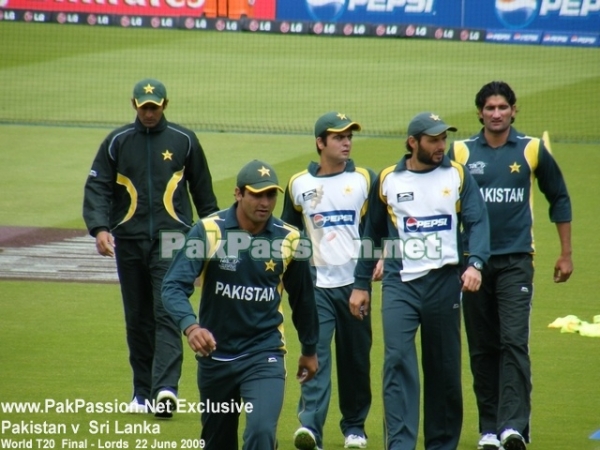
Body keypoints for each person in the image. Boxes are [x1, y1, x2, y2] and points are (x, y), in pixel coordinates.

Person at [349, 112, 491, 450]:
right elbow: (372, 235)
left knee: (443, 366)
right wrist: (360, 284)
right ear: (413, 143)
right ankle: (400, 444)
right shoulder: (387, 179)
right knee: (397, 359)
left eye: (444, 138)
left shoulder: (457, 174)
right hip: (400, 283)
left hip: (445, 283)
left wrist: (477, 264)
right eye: (433, 140)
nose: (441, 145)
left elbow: (477, 221)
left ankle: (441, 444)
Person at [447, 81, 573, 450]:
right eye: (490, 108)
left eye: (503, 107)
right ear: (480, 113)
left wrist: (565, 253)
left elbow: (559, 198)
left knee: (514, 341)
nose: (497, 113)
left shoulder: (532, 149)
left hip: (517, 260)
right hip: (472, 265)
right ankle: (488, 428)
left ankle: (513, 427)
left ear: (514, 110)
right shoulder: (461, 152)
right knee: (483, 346)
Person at [83, 78, 219, 417]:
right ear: (134, 105)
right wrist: (100, 228)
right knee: (138, 318)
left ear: (165, 105)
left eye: (154, 107)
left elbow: (203, 192)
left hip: (173, 240)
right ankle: (142, 392)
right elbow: (97, 186)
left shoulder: (184, 141)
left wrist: (217, 234)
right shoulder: (117, 142)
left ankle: (165, 390)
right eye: (143, 107)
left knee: (167, 311)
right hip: (128, 241)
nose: (148, 112)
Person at [161, 160, 320, 450]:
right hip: (215, 359)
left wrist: (309, 349)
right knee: (217, 443)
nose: (265, 202)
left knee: (260, 433)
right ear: (238, 194)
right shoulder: (208, 231)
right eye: (256, 194)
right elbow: (172, 286)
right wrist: (191, 327)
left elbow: (304, 301)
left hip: (264, 353)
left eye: (271, 195)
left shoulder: (290, 239)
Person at [281, 112, 376, 450]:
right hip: (315, 287)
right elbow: (288, 236)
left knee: (355, 358)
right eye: (338, 137)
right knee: (315, 354)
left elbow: (377, 227)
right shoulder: (298, 185)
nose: (346, 141)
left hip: (355, 286)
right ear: (321, 142)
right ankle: (310, 428)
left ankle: (354, 427)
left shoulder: (366, 179)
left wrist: (375, 259)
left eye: (349, 136)